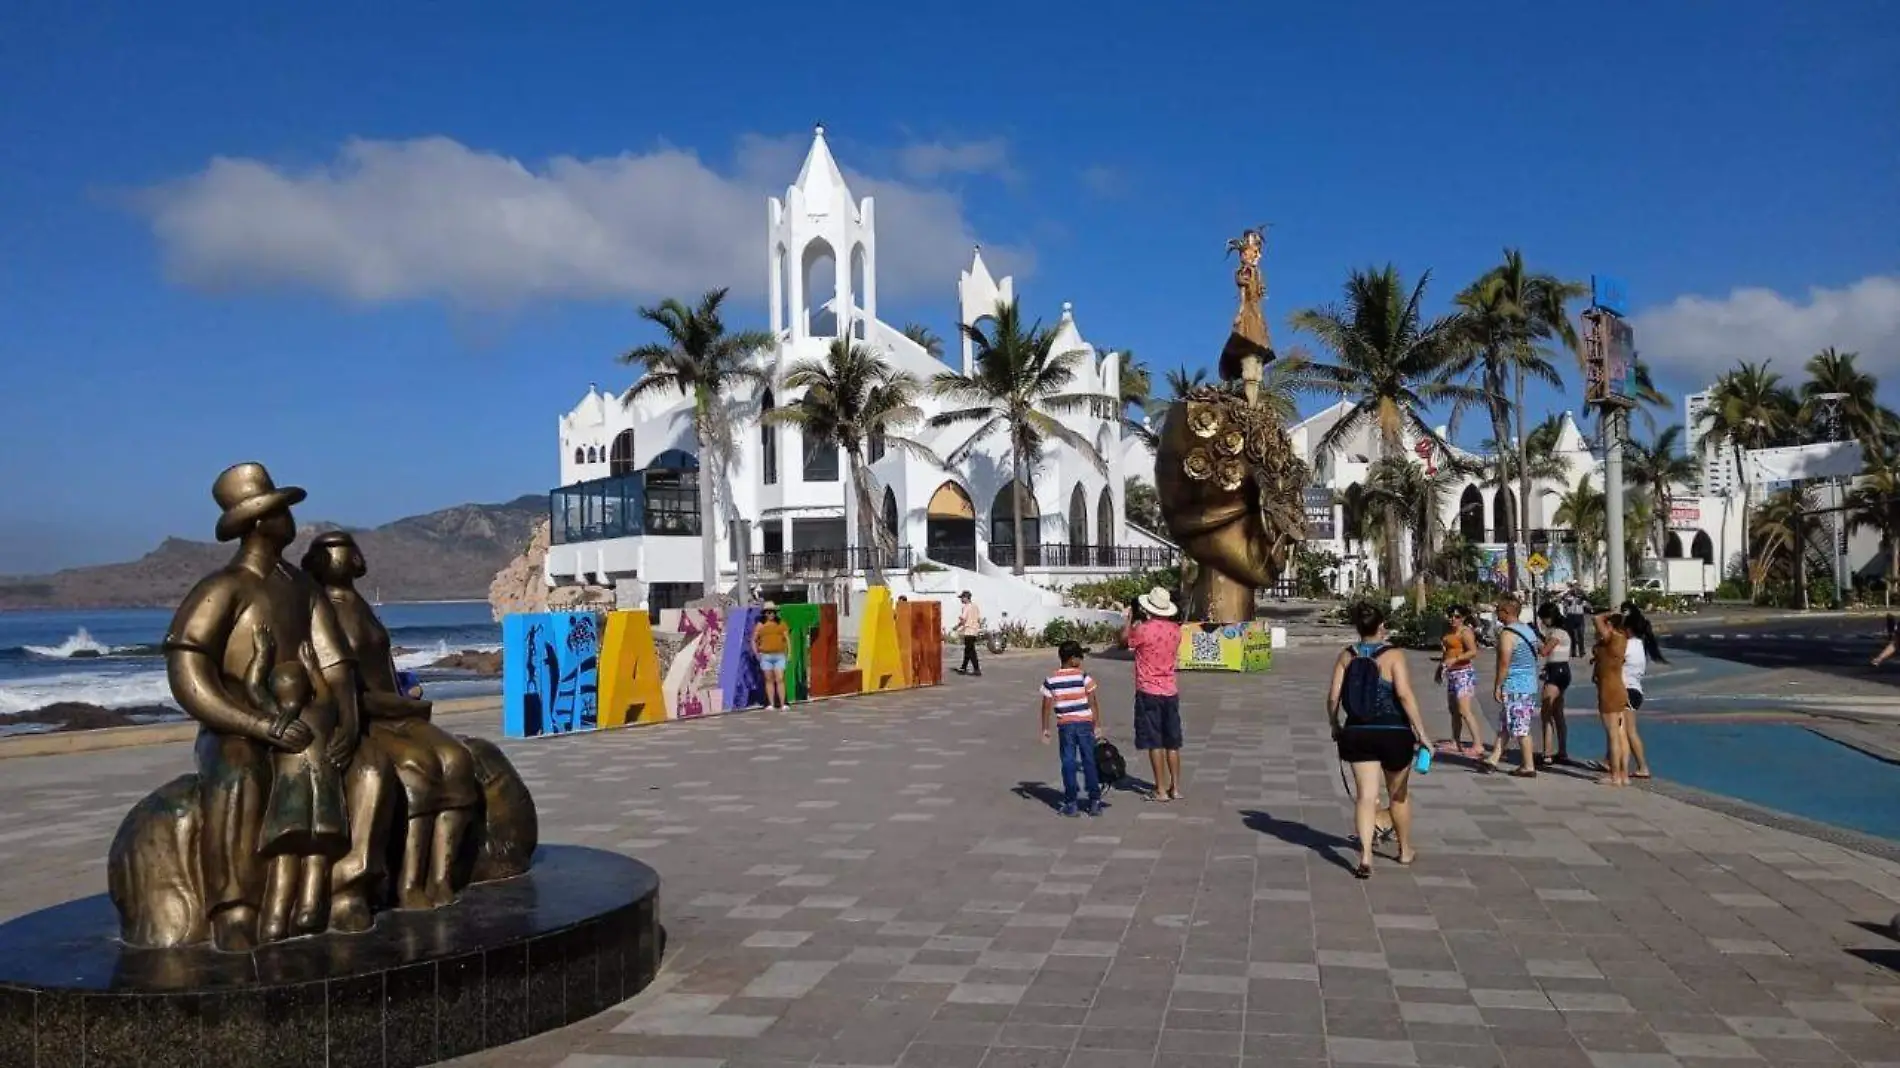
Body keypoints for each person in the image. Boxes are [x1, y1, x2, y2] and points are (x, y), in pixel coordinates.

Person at [1329, 602, 1433, 878]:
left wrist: (1334, 725)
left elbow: (1332, 698)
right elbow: (1404, 695)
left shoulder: (1346, 656)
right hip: (1394, 732)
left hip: (1357, 732)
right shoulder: (1394, 656)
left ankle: (1365, 857)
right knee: (1398, 795)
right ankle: (1404, 850)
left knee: (1366, 796)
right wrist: (1422, 734)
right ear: (1382, 626)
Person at [1124, 586, 1185, 802]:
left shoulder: (1143, 630)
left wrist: (1129, 619)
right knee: (1172, 742)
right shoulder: (1176, 630)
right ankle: (1175, 788)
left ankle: (1160, 789)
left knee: (1155, 741)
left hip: (1148, 690)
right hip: (1170, 689)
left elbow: (1124, 641)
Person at [1039, 640, 1104, 817]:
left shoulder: (1051, 679)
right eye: (1079, 657)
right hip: (1085, 724)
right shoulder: (1084, 677)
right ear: (1072, 659)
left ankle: (1071, 802)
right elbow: (1093, 702)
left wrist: (1045, 728)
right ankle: (1095, 801)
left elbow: (1046, 706)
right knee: (1088, 760)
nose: (1081, 660)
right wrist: (1097, 724)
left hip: (1065, 726)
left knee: (1068, 762)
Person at [1483, 597, 1540, 777]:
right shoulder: (1528, 630)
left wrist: (1498, 685)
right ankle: (1493, 758)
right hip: (1528, 683)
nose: (1496, 613)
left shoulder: (1508, 634)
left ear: (1507, 612)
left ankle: (1528, 765)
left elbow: (1504, 663)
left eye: (1498, 609)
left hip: (1516, 685)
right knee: (1506, 723)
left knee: (1521, 727)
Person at [1433, 605, 1486, 758]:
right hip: (1452, 673)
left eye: (1456, 616)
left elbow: (1473, 651)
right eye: (1450, 616)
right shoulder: (1448, 631)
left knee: (1464, 710)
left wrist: (1456, 659)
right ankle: (1455, 741)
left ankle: (1478, 745)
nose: (1453, 619)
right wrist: (1440, 668)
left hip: (1463, 672)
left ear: (1462, 618)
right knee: (1454, 710)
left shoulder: (1465, 632)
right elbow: (1446, 652)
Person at [1619, 603, 1661, 780]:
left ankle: (1640, 767)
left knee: (1627, 731)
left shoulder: (1627, 646)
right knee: (1626, 730)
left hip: (1627, 691)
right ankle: (1615, 762)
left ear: (1628, 629)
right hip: (1635, 691)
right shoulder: (1640, 646)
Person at [1591, 611, 1633, 786]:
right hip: (1619, 687)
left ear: (1609, 625)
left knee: (1613, 735)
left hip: (1608, 691)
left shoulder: (1611, 638)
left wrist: (1612, 613)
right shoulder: (1622, 640)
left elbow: (1596, 619)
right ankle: (1624, 775)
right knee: (1621, 734)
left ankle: (1615, 775)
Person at [1534, 602, 1573, 767]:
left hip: (1556, 671)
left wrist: (1535, 642)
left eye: (1543, 618)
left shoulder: (1557, 632)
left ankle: (1547, 753)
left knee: (1546, 713)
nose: (1543, 622)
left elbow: (1545, 651)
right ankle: (1562, 751)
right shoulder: (1561, 632)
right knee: (1557, 713)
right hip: (1562, 670)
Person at [754, 601, 791, 709]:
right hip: (766, 656)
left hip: (779, 655)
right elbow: (754, 640)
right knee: (769, 680)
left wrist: (789, 653)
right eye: (768, 612)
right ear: (765, 613)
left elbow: (787, 639)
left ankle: (783, 703)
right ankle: (771, 704)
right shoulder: (760, 625)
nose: (770, 614)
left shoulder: (781, 623)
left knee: (780, 679)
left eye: (772, 612)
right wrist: (757, 653)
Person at [955, 591, 983, 676]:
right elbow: (978, 619)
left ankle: (976, 669)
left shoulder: (966, 607)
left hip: (968, 631)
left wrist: (957, 626)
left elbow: (963, 620)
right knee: (968, 650)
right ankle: (963, 667)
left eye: (962, 598)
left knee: (971, 651)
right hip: (974, 631)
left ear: (966, 598)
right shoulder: (975, 606)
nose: (961, 600)